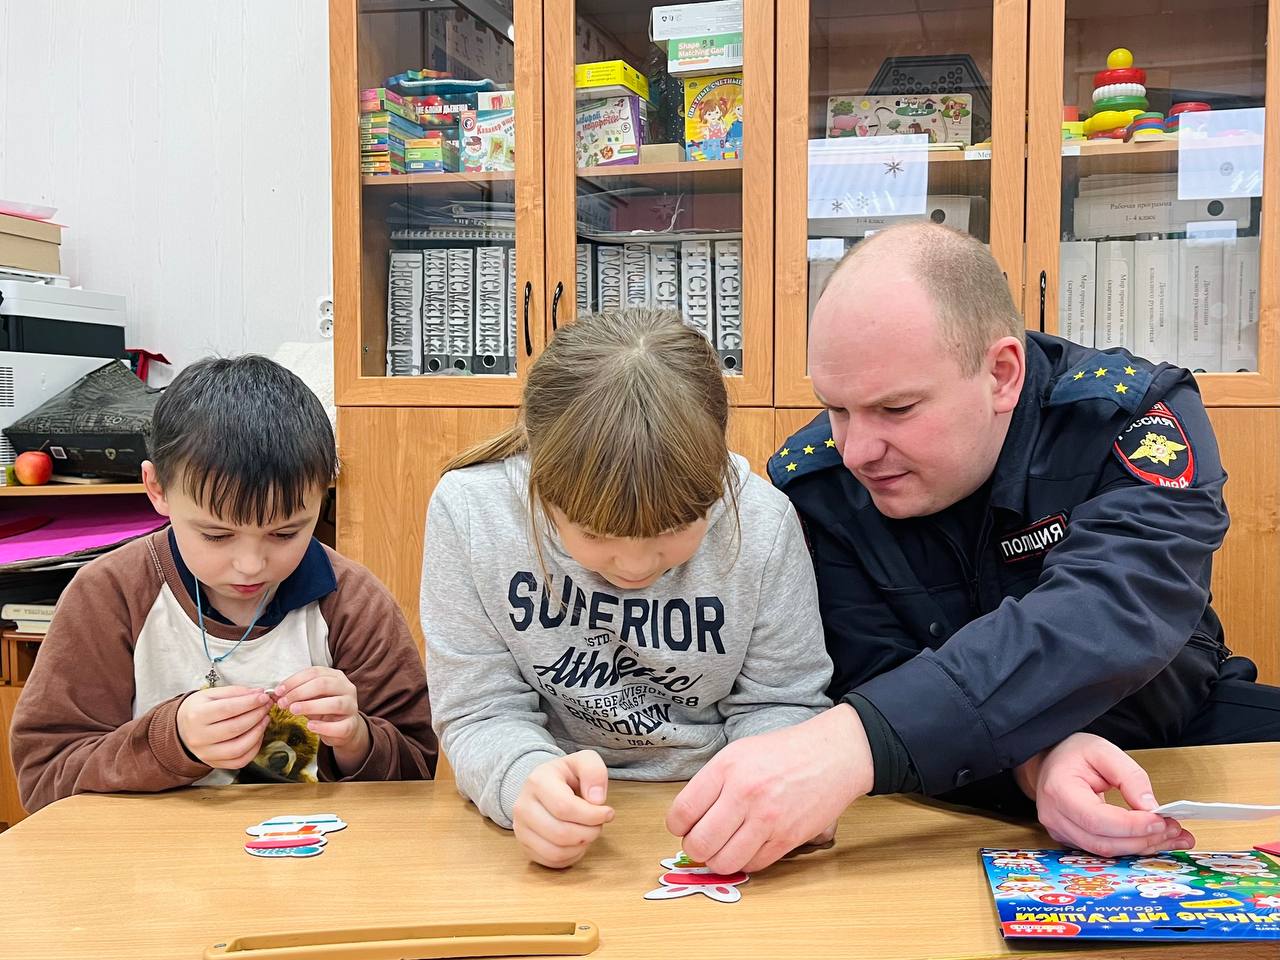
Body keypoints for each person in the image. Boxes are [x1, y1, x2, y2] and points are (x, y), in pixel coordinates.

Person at [667, 222, 1280, 871]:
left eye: (897, 409)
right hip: (951, 791)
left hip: (1174, 738)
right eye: (837, 409)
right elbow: (876, 672)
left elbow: (1112, 611)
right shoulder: (822, 485)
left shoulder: (1125, 420)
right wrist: (1036, 763)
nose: (857, 450)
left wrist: (848, 745)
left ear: (1002, 375)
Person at [421, 308, 834, 869]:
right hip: (551, 814)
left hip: (719, 811)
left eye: (672, 531)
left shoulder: (761, 521)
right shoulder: (472, 512)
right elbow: (478, 709)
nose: (636, 566)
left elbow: (781, 702)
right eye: (594, 535)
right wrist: (523, 781)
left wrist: (770, 785)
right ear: (542, 484)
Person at [12, 356, 437, 812]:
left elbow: (419, 774)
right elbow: (45, 781)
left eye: (285, 533)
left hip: (316, 866)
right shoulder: (111, 594)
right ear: (157, 489)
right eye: (216, 535)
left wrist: (356, 737)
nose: (251, 565)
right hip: (148, 870)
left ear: (325, 491)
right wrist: (171, 741)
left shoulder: (352, 602)